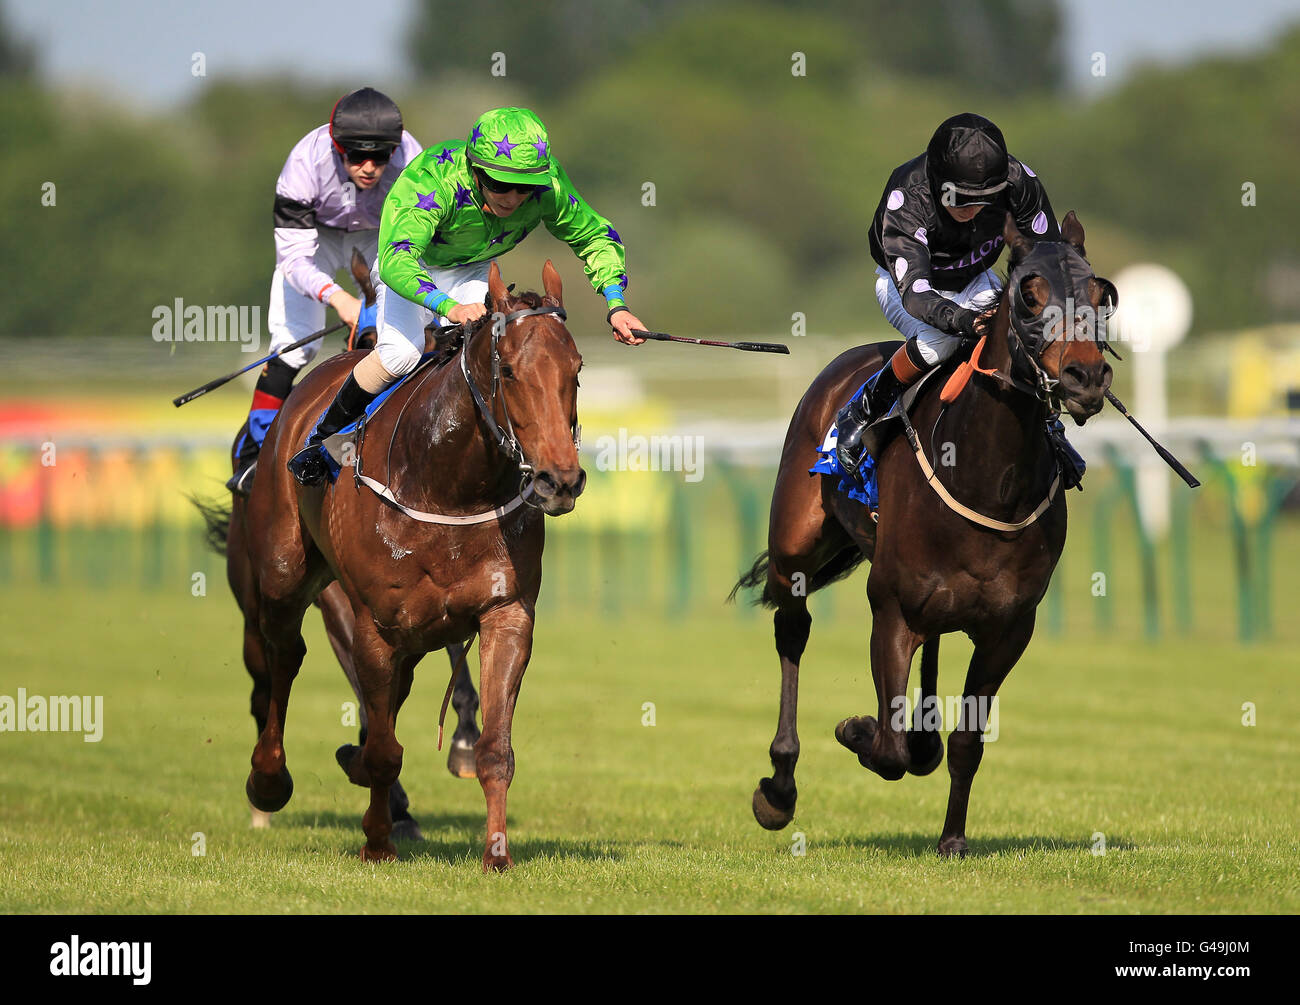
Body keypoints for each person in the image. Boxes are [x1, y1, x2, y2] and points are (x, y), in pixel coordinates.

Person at [287, 105, 648, 486]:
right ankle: (321, 440)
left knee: (486, 357)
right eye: (500, 184)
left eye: (524, 188)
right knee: (401, 354)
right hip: (411, 264)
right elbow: (397, 260)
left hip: (473, 267)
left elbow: (594, 236)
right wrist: (448, 306)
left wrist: (616, 304)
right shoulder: (434, 179)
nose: (512, 198)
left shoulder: (549, 187)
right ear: (475, 171)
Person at [835, 112, 1060, 480]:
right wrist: (966, 320)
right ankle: (863, 409)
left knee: (1022, 337)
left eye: (983, 202)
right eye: (962, 201)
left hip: (975, 279)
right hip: (906, 287)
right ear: (938, 183)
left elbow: (1046, 257)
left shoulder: (1019, 181)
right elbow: (918, 294)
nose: (973, 211)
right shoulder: (907, 195)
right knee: (939, 343)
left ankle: (1047, 425)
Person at [227, 87, 423, 494]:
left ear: (395, 149)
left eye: (380, 156)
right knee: (296, 346)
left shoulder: (412, 158)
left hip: (380, 236)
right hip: (316, 236)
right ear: (337, 148)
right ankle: (252, 455)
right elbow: (294, 260)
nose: (369, 167)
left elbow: (417, 238)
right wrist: (339, 298)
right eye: (356, 156)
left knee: (403, 340)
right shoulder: (304, 161)